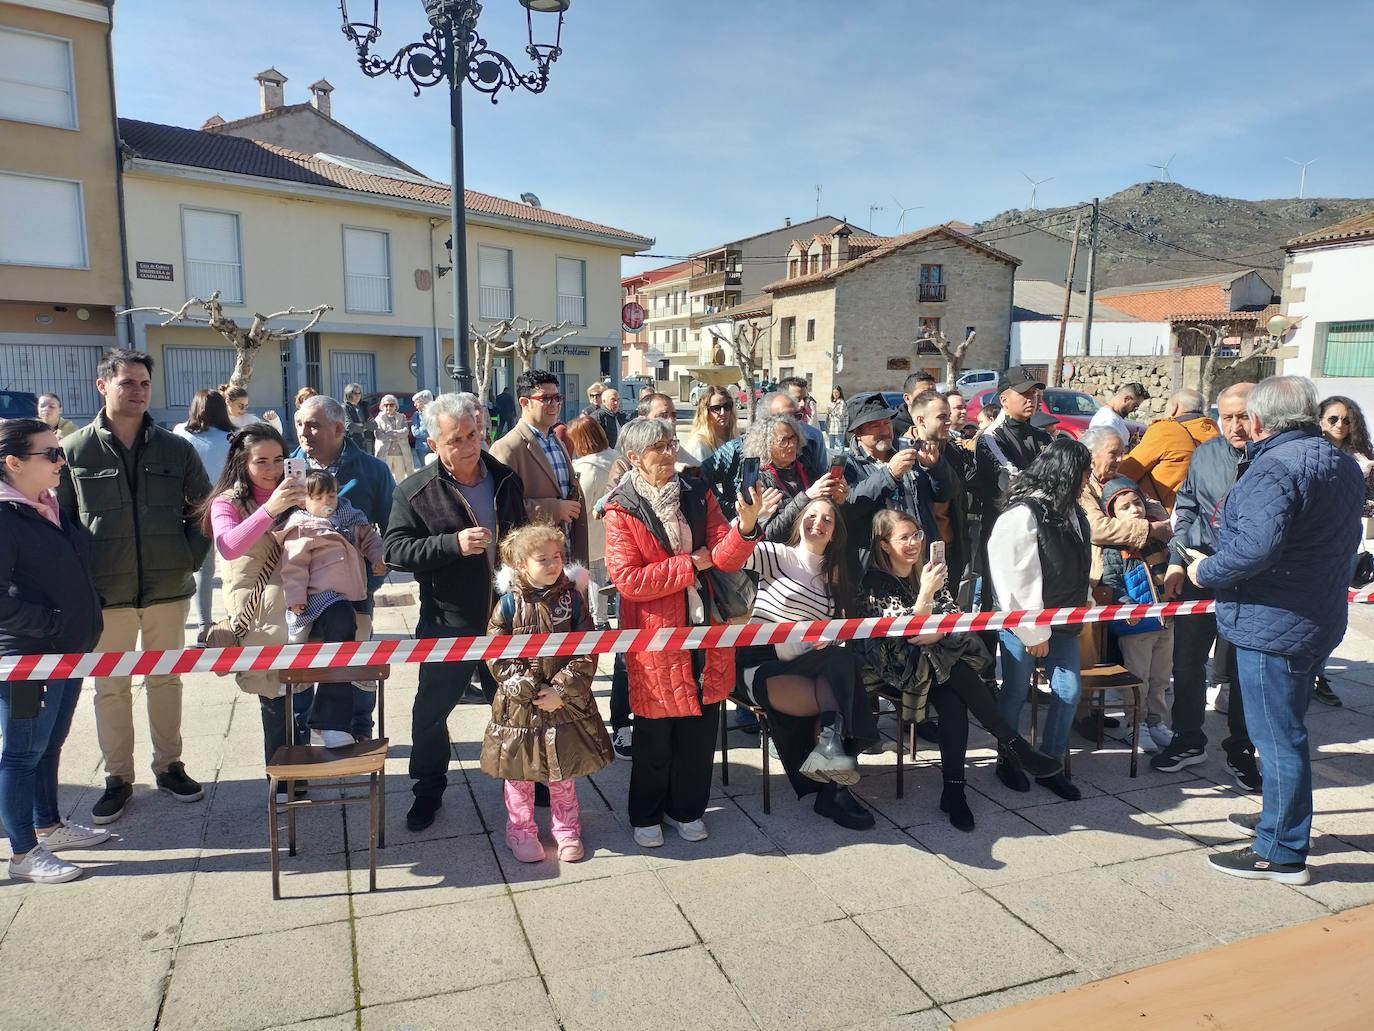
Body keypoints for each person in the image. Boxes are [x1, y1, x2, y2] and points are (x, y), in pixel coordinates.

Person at [1186, 376, 1364, 884]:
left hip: (1274, 621)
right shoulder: (1339, 461)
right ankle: (1278, 817)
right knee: (1285, 729)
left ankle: (1280, 850)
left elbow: (1255, 549)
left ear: (1261, 421)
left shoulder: (1276, 467)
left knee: (1278, 737)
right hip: (1313, 615)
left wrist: (1205, 571)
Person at [57, 349, 211, 825]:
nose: (139, 391)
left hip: (167, 589)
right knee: (111, 688)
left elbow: (204, 509)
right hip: (107, 594)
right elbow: (61, 523)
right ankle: (118, 778)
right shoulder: (73, 450)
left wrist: (187, 558)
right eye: (128, 383)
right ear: (102, 385)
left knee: (166, 680)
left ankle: (169, 766)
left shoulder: (175, 447)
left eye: (144, 383)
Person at [604, 417, 773, 847]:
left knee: (700, 732)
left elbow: (726, 556)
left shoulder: (698, 494)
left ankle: (688, 809)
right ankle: (646, 815)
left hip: (708, 626)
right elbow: (628, 580)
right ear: (634, 458)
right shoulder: (620, 508)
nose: (668, 452)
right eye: (658, 447)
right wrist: (691, 565)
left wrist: (746, 527)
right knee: (655, 737)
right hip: (655, 635)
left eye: (670, 443)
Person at [860, 509, 1061, 830]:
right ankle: (1014, 747)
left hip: (936, 656)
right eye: (903, 538)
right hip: (894, 663)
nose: (913, 543)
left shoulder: (929, 570)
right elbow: (906, 634)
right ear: (884, 545)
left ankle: (955, 792)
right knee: (954, 671)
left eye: (916, 535)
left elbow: (952, 614)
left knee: (953, 702)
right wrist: (925, 594)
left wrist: (937, 630)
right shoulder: (876, 580)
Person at [385, 392, 526, 831]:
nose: (468, 446)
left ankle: (526, 780)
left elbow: (520, 535)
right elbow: (395, 551)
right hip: (448, 621)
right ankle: (428, 791)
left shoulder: (504, 477)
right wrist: (452, 544)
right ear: (432, 443)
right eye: (455, 440)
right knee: (430, 713)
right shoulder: (416, 491)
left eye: (473, 435)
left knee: (517, 706)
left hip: (506, 619)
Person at [204, 423, 344, 790]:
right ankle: (282, 780)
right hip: (259, 611)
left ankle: (304, 768)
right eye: (261, 461)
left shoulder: (300, 491)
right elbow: (229, 545)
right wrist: (271, 510)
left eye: (279, 459)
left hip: (303, 602)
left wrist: (314, 506)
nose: (271, 469)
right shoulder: (227, 502)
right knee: (273, 696)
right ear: (242, 462)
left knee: (303, 688)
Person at [1, 419, 106, 883]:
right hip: (27, 661)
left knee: (48, 746)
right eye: (50, 453)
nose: (60, 460)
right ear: (14, 463)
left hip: (67, 651)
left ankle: (50, 825)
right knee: (21, 754)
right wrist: (51, 624)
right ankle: (23, 853)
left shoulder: (47, 504)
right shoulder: (5, 516)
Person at [737, 497, 882, 830]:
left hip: (807, 664)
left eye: (828, 519)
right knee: (839, 679)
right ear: (799, 520)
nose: (819, 522)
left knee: (839, 662)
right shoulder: (777, 555)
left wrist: (829, 639)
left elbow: (840, 635)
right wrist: (749, 522)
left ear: (835, 533)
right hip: (760, 663)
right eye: (812, 515)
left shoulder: (835, 580)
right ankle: (835, 783)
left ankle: (833, 772)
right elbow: (733, 556)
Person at [483, 523, 613, 863]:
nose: (554, 564)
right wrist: (525, 687)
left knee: (562, 772)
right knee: (519, 775)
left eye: (558, 557)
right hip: (519, 710)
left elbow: (588, 650)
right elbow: (496, 652)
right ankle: (520, 830)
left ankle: (567, 830)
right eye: (543, 559)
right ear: (522, 565)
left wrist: (561, 690)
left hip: (562, 706)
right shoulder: (508, 606)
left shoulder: (573, 601)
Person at [1155, 383, 1259, 788]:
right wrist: (1178, 562)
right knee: (1187, 660)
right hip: (1201, 572)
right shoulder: (1206, 453)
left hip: (1248, 581)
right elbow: (1187, 508)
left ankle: (1241, 749)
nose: (1235, 425)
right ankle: (1187, 737)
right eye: (1227, 416)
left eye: (1243, 416)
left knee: (1238, 670)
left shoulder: (1270, 459)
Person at [988, 437, 1093, 801]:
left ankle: (1049, 762)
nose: (1087, 481)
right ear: (1067, 473)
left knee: (1069, 690)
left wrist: (1084, 602)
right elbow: (1014, 577)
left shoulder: (1072, 511)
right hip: (1025, 622)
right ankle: (1009, 758)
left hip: (1064, 618)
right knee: (1015, 690)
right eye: (1083, 473)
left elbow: (1078, 563)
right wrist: (1033, 630)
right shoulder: (1022, 515)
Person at [293, 395, 394, 737]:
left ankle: (360, 732)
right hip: (301, 593)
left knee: (360, 664)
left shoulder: (372, 470)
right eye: (299, 424)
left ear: (338, 429)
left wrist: (372, 578)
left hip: (355, 591)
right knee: (301, 669)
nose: (304, 433)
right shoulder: (287, 469)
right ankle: (304, 735)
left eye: (313, 425)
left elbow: (390, 530)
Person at [1073, 427, 1170, 741]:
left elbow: (1153, 507)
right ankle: (1084, 714)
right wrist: (1151, 530)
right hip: (1098, 580)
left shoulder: (1120, 478)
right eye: (1114, 452)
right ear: (1092, 453)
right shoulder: (1082, 484)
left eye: (1122, 450)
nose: (1121, 458)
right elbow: (1097, 528)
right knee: (1091, 653)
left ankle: (1141, 719)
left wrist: (1151, 520)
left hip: (1137, 578)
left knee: (1131, 657)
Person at [277, 469, 387, 746]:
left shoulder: (350, 518)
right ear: (304, 501)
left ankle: (339, 721)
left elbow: (370, 538)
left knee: (353, 643)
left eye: (332, 495)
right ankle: (328, 721)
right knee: (342, 628)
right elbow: (293, 567)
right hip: (320, 597)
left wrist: (377, 557)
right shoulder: (302, 527)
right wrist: (296, 597)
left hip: (351, 592)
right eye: (319, 497)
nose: (328, 501)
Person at [1098, 477, 1176, 753]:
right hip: (1136, 625)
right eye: (1125, 507)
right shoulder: (1114, 550)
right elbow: (1113, 583)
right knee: (1137, 677)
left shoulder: (1159, 540)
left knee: (1160, 677)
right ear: (1113, 515)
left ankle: (1156, 722)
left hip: (1165, 619)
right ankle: (1135, 724)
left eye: (1137, 503)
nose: (1135, 510)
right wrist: (1129, 607)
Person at [490, 370, 588, 565]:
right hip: (534, 563)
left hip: (565, 556)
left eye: (557, 398)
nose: (555, 405)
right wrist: (553, 509)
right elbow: (502, 509)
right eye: (546, 399)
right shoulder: (507, 448)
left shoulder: (556, 440)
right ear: (524, 402)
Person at [1312, 395, 1374, 706]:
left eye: (1347, 420)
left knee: (1335, 617)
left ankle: (1318, 672)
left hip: (1347, 542)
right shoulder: (1309, 451)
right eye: (1333, 419)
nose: (1340, 425)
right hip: (1312, 545)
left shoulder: (1361, 456)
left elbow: (1370, 508)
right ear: (1320, 421)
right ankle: (1308, 672)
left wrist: (1363, 478)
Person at [841, 392, 938, 574]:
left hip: (919, 561)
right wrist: (890, 474)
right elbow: (849, 504)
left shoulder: (908, 454)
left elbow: (945, 493)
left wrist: (935, 467)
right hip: (877, 567)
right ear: (858, 433)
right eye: (875, 425)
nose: (885, 430)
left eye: (886, 422)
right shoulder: (847, 465)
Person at [175, 389, 237, 643]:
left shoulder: (180, 434)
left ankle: (203, 626)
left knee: (203, 570)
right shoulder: (233, 438)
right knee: (236, 567)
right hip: (231, 506)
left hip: (193, 508)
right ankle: (238, 622)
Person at [906, 391, 974, 592]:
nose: (948, 421)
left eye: (948, 415)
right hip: (914, 556)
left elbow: (954, 495)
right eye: (941, 417)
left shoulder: (952, 451)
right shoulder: (901, 453)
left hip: (950, 551)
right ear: (921, 420)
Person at [745, 410, 848, 541]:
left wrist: (838, 501)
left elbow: (830, 522)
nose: (792, 444)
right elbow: (770, 534)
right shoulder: (760, 481)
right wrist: (807, 496)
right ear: (766, 445)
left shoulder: (807, 469)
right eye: (783, 441)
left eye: (794, 438)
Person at [1118, 388, 1218, 510]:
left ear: (1175, 408)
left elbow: (1130, 469)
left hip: (1166, 513)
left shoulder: (1165, 430)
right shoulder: (1215, 434)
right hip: (1205, 513)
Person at [568, 415, 623, 631]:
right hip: (617, 534)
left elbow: (581, 507)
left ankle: (599, 622)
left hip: (592, 536)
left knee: (596, 583)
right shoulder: (617, 459)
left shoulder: (584, 470)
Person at [680, 386, 738, 467]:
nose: (723, 412)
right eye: (716, 408)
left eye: (727, 406)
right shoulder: (698, 445)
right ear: (705, 412)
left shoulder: (734, 438)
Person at [1087, 382, 1149, 447]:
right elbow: (1107, 451)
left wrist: (1131, 445)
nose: (1135, 410)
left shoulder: (1115, 417)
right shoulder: (1107, 420)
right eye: (1134, 405)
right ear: (1126, 399)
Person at [372, 394, 412, 483]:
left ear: (396, 406)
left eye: (391, 405)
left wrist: (390, 433)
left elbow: (405, 432)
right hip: (384, 454)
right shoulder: (378, 418)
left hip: (400, 453)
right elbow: (379, 435)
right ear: (382, 406)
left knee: (401, 480)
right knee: (385, 479)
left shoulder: (402, 417)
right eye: (386, 405)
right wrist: (397, 434)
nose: (388, 407)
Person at [891, 371, 939, 439]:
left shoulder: (938, 419)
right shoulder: (892, 425)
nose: (932, 397)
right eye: (925, 393)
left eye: (934, 393)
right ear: (907, 398)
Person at [342, 383, 374, 452]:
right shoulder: (345, 408)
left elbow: (374, 425)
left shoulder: (364, 407)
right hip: (352, 443)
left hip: (367, 443)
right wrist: (366, 425)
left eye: (359, 393)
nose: (357, 395)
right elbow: (349, 426)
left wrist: (361, 426)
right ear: (348, 394)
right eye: (355, 393)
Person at [411, 390, 434, 470]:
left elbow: (437, 429)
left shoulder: (434, 414)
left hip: (434, 446)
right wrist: (428, 432)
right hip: (422, 448)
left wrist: (425, 430)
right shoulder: (416, 415)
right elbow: (415, 432)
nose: (415, 405)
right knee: (425, 469)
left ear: (423, 401)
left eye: (417, 402)